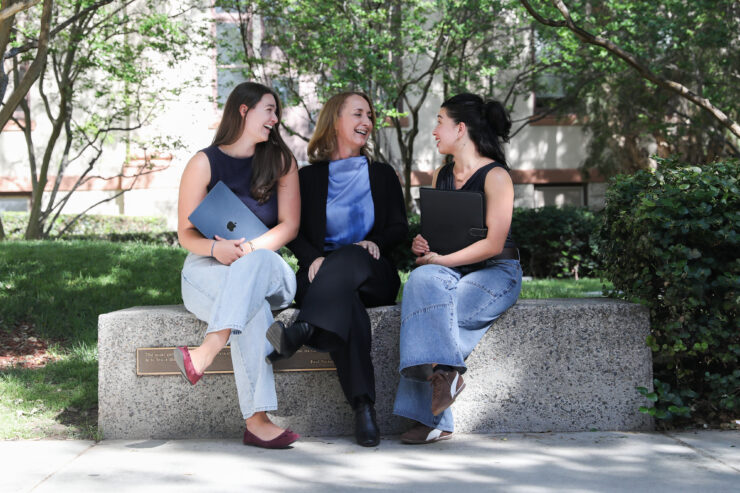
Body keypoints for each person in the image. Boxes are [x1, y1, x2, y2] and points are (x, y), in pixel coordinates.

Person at [266, 92, 408, 447]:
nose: (367, 121)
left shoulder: (382, 173)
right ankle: (363, 409)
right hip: (320, 275)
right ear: (335, 121)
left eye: (370, 115)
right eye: (358, 113)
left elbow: (399, 228)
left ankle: (303, 328)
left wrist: (374, 241)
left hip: (373, 270)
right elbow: (292, 229)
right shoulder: (308, 177)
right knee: (347, 306)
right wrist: (313, 258)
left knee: (351, 255)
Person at [174, 82, 301, 449]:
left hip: (268, 267)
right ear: (243, 110)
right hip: (208, 268)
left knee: (255, 269)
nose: (275, 119)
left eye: (276, 112)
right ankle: (258, 421)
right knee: (253, 310)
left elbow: (289, 226)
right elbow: (185, 234)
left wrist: (248, 250)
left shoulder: (281, 161)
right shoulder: (203, 162)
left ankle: (207, 350)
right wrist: (216, 252)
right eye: (269, 110)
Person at [393, 93, 522, 444]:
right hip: (453, 269)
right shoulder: (443, 174)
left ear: (460, 128)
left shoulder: (496, 176)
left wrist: (442, 260)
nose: (434, 130)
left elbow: (494, 244)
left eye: (439, 121)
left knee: (428, 316)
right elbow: (440, 234)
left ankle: (432, 415)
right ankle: (446, 378)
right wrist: (424, 245)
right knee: (421, 278)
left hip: (497, 273)